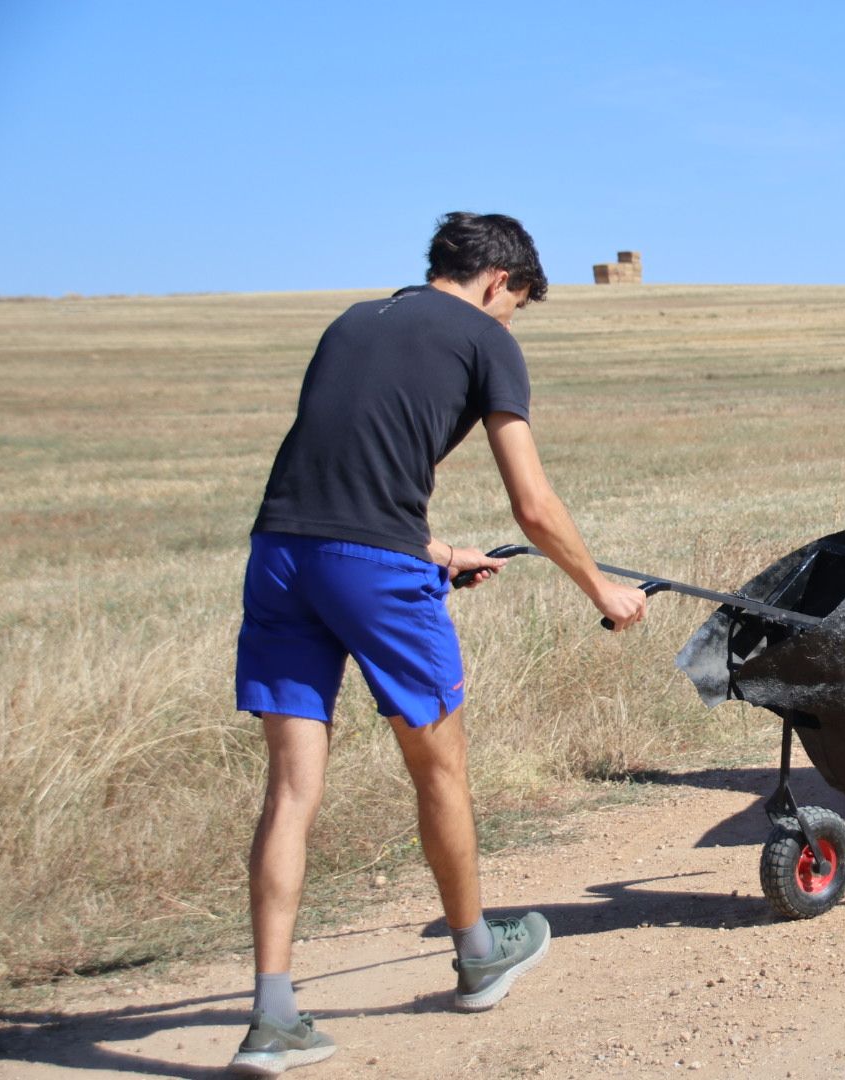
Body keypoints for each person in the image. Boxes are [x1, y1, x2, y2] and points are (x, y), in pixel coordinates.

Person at [228, 212, 648, 1075]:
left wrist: (440, 551)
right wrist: (602, 589)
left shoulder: (353, 320)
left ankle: (272, 1017)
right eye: (517, 307)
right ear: (501, 282)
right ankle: (476, 954)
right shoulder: (484, 337)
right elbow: (532, 504)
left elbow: (337, 475)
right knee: (440, 768)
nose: (511, 323)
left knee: (291, 790)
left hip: (280, 557)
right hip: (371, 572)